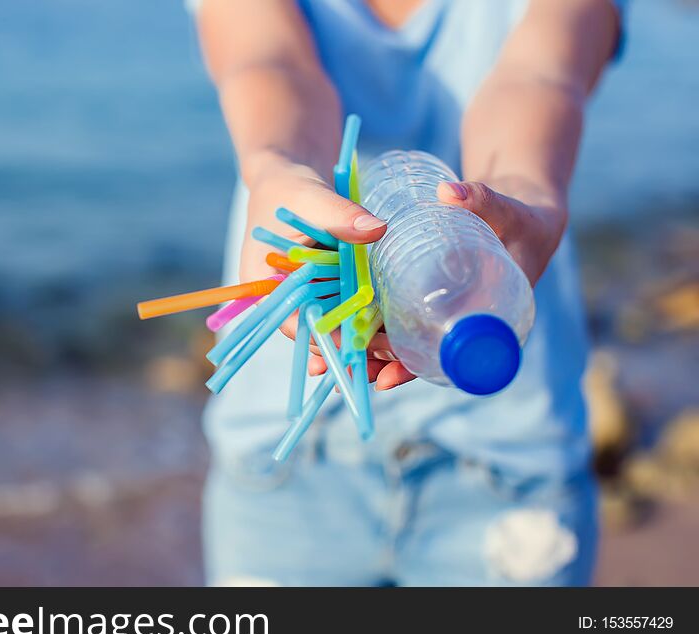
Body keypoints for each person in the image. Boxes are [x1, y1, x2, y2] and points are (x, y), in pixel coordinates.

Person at [192, 0, 625, 585]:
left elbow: (540, 76)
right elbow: (270, 63)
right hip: (285, 461)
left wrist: (520, 189)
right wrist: (278, 170)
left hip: (510, 464)